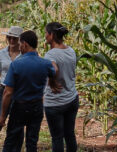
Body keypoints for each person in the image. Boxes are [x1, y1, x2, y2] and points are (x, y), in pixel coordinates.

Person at [0, 30, 54, 152]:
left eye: (20, 45)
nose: (19, 47)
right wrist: (53, 85)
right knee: (32, 141)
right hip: (37, 106)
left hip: (20, 106)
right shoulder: (45, 63)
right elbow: (54, 74)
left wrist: (3, 115)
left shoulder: (16, 65)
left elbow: (7, 93)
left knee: (11, 140)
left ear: (24, 44)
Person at [41, 23, 79, 152]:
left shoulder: (50, 55)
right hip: (72, 98)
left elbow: (54, 68)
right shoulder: (71, 51)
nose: (45, 36)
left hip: (55, 103)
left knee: (57, 138)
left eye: (46, 33)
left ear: (51, 35)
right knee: (70, 135)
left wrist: (51, 81)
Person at [0, 26, 24, 152]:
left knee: (17, 126)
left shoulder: (24, 55)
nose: (12, 41)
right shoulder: (2, 54)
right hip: (4, 91)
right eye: (10, 38)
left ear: (20, 40)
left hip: (19, 93)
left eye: (14, 38)